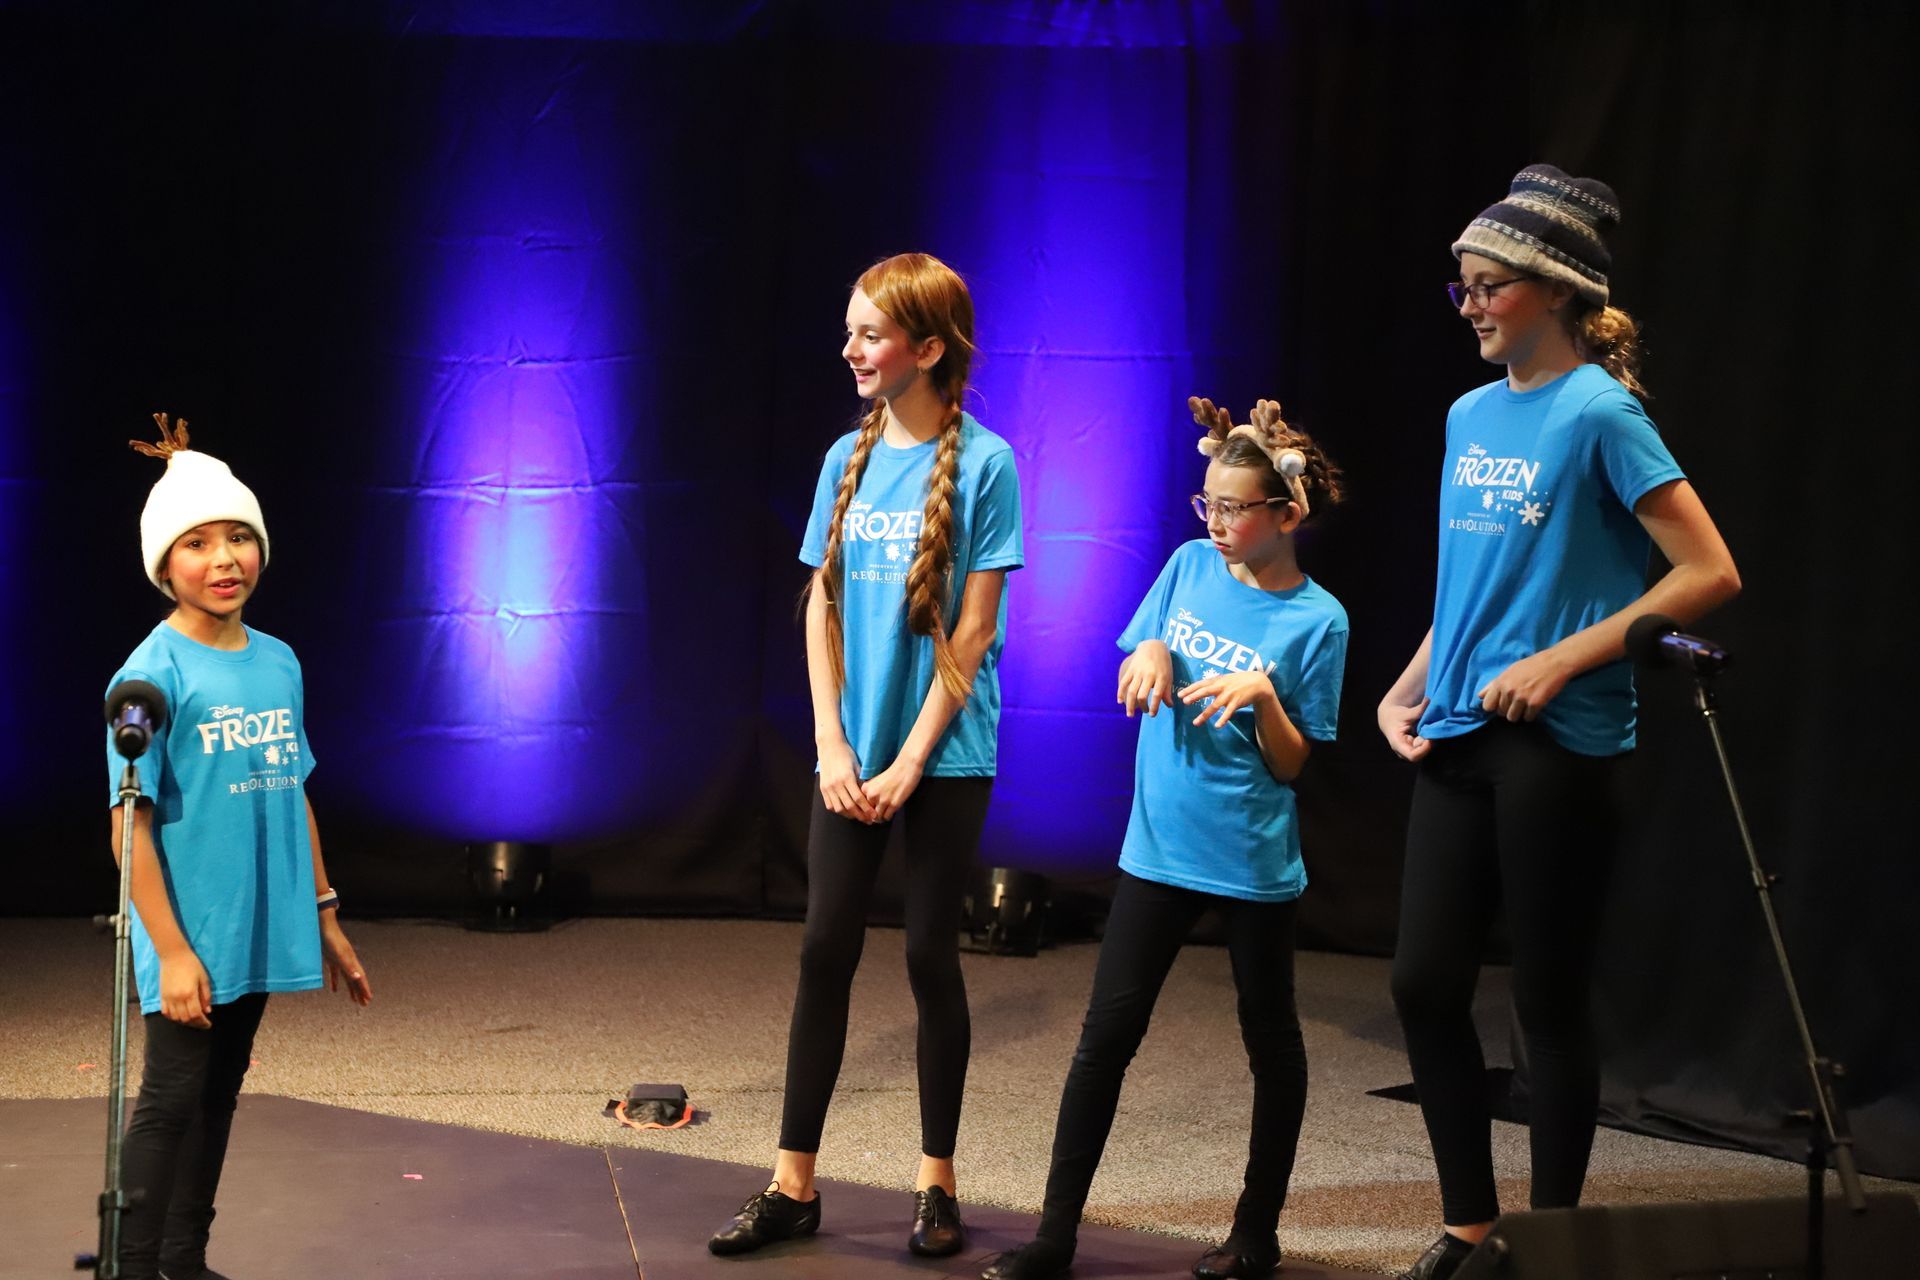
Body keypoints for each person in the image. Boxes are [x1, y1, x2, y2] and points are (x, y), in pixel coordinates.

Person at [1376, 165, 1742, 1280]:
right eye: (1465, 288)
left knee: (1544, 994)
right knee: (1423, 983)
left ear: (1553, 289)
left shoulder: (1601, 411)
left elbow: (1708, 570)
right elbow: (1473, 585)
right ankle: (1470, 1224)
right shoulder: (1468, 414)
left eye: (1489, 285)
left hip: (1559, 737)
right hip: (1458, 724)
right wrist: (1406, 682)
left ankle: (1548, 1239)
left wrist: (1564, 658)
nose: (1473, 304)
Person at [984, 397, 1348, 1280]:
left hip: (1252, 858)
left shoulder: (1318, 620)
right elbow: (1142, 649)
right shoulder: (1188, 567)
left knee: (1272, 1043)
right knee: (1104, 1038)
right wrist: (1143, 652)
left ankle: (1254, 1234)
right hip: (1158, 850)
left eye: (1236, 509)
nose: (1217, 524)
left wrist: (1263, 698)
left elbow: (1298, 766)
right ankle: (1054, 1237)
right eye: (1209, 505)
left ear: (1287, 515)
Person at [708, 253, 1024, 1259]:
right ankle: (792, 1180)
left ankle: (936, 1181)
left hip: (945, 752)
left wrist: (910, 761)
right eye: (850, 330)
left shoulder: (987, 463)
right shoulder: (841, 461)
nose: (851, 349)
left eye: (872, 334)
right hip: (850, 756)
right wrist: (833, 743)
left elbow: (972, 633)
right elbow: (823, 609)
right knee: (822, 950)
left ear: (927, 350)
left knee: (931, 953)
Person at [107, 414, 372, 1280]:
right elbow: (128, 823)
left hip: (259, 922)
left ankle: (185, 1261)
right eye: (197, 544)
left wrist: (323, 912)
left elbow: (293, 786)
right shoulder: (149, 676)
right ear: (164, 564)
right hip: (189, 927)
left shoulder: (280, 661)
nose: (224, 560)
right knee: (170, 1100)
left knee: (219, 1093)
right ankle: (133, 1267)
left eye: (237, 539)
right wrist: (172, 950)